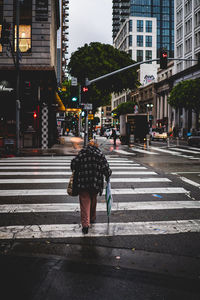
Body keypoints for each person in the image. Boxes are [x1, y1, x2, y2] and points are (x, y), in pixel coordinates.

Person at [71, 139, 112, 234]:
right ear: (96, 146)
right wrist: (108, 174)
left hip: (83, 182)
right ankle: (92, 217)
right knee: (93, 199)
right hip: (95, 183)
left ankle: (85, 224)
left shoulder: (82, 153)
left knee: (84, 203)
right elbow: (106, 169)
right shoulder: (99, 154)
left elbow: (73, 164)